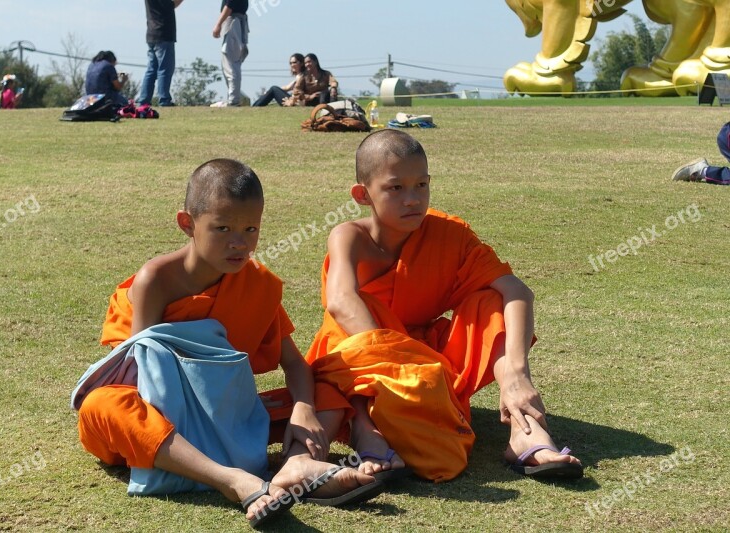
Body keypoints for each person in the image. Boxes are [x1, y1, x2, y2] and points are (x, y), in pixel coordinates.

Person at [71, 159, 382, 528]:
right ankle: (232, 480)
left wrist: (302, 409)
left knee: (326, 392)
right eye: (222, 228)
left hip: (227, 417)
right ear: (187, 224)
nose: (240, 243)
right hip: (164, 419)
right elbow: (145, 374)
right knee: (103, 404)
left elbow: (295, 364)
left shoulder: (257, 285)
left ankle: (297, 464)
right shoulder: (156, 279)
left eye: (251, 229)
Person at [305, 130, 584, 483]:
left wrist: (516, 373)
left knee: (491, 301)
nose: (412, 199)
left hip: (434, 360)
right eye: (395, 188)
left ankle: (524, 429)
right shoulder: (349, 236)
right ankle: (366, 425)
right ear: (363, 195)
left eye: (421, 185)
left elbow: (517, 292)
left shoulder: (450, 234)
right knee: (341, 328)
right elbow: (342, 302)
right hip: (381, 359)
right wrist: (411, 368)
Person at [137, 0, 183, 107]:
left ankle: (143, 100)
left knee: (151, 70)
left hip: (151, 33)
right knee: (165, 69)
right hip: (163, 33)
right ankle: (164, 99)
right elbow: (171, 4)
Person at [212, 0, 249, 107]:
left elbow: (230, 5)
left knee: (231, 63)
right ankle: (233, 98)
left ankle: (233, 100)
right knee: (233, 63)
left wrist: (218, 24)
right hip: (239, 21)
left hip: (233, 20)